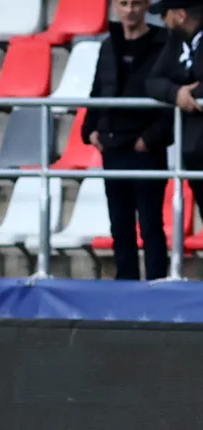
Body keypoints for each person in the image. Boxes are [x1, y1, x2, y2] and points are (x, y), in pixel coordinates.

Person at [83, 0, 173, 280]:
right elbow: (97, 91)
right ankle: (126, 283)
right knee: (120, 224)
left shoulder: (164, 44)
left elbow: (171, 99)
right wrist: (91, 131)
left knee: (150, 223)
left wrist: (150, 139)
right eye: (124, 3)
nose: (130, 9)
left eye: (136, 3)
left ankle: (157, 282)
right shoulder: (108, 45)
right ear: (115, 7)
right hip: (113, 146)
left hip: (147, 149)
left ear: (146, 6)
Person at [147, 0, 203, 222]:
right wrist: (176, 93)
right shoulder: (177, 43)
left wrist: (192, 94)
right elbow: (152, 81)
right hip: (194, 154)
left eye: (165, 14)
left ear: (180, 15)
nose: (164, 22)